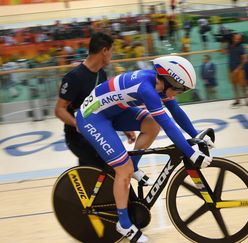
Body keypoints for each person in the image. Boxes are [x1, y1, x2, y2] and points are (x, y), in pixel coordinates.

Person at [75, 55, 214, 242]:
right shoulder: (147, 88)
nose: (178, 94)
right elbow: (168, 123)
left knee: (151, 126)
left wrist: (195, 136)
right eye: (180, 89)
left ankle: (132, 166)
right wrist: (190, 152)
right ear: (168, 80)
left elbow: (177, 113)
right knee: (122, 169)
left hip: (113, 110)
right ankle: (123, 224)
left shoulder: (161, 85)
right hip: (93, 117)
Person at [55, 32, 124, 170]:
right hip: (78, 138)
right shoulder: (74, 77)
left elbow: (104, 104)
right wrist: (78, 124)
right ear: (104, 51)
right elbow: (59, 110)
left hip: (96, 134)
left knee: (90, 177)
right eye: (111, 51)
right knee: (113, 169)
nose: (112, 54)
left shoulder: (102, 74)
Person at [227, 33, 248, 107]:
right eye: (235, 38)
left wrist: (237, 69)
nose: (237, 39)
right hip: (231, 68)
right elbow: (228, 54)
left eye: (238, 39)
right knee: (234, 85)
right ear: (233, 38)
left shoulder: (241, 47)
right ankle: (237, 100)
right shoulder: (230, 46)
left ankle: (247, 101)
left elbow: (244, 60)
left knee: (243, 85)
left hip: (239, 70)